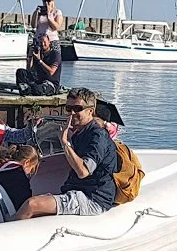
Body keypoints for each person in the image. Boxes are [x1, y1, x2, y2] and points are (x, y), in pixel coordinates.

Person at [13, 88, 118, 220]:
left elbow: (83, 171)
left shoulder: (97, 136)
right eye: (68, 109)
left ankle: (3, 234)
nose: (72, 113)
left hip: (93, 198)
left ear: (91, 111)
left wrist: (64, 142)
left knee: (31, 205)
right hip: (76, 190)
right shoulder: (79, 133)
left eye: (78, 108)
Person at [0, 144, 40, 210]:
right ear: (27, 162)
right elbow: (24, 203)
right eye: (31, 169)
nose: (29, 174)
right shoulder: (18, 175)